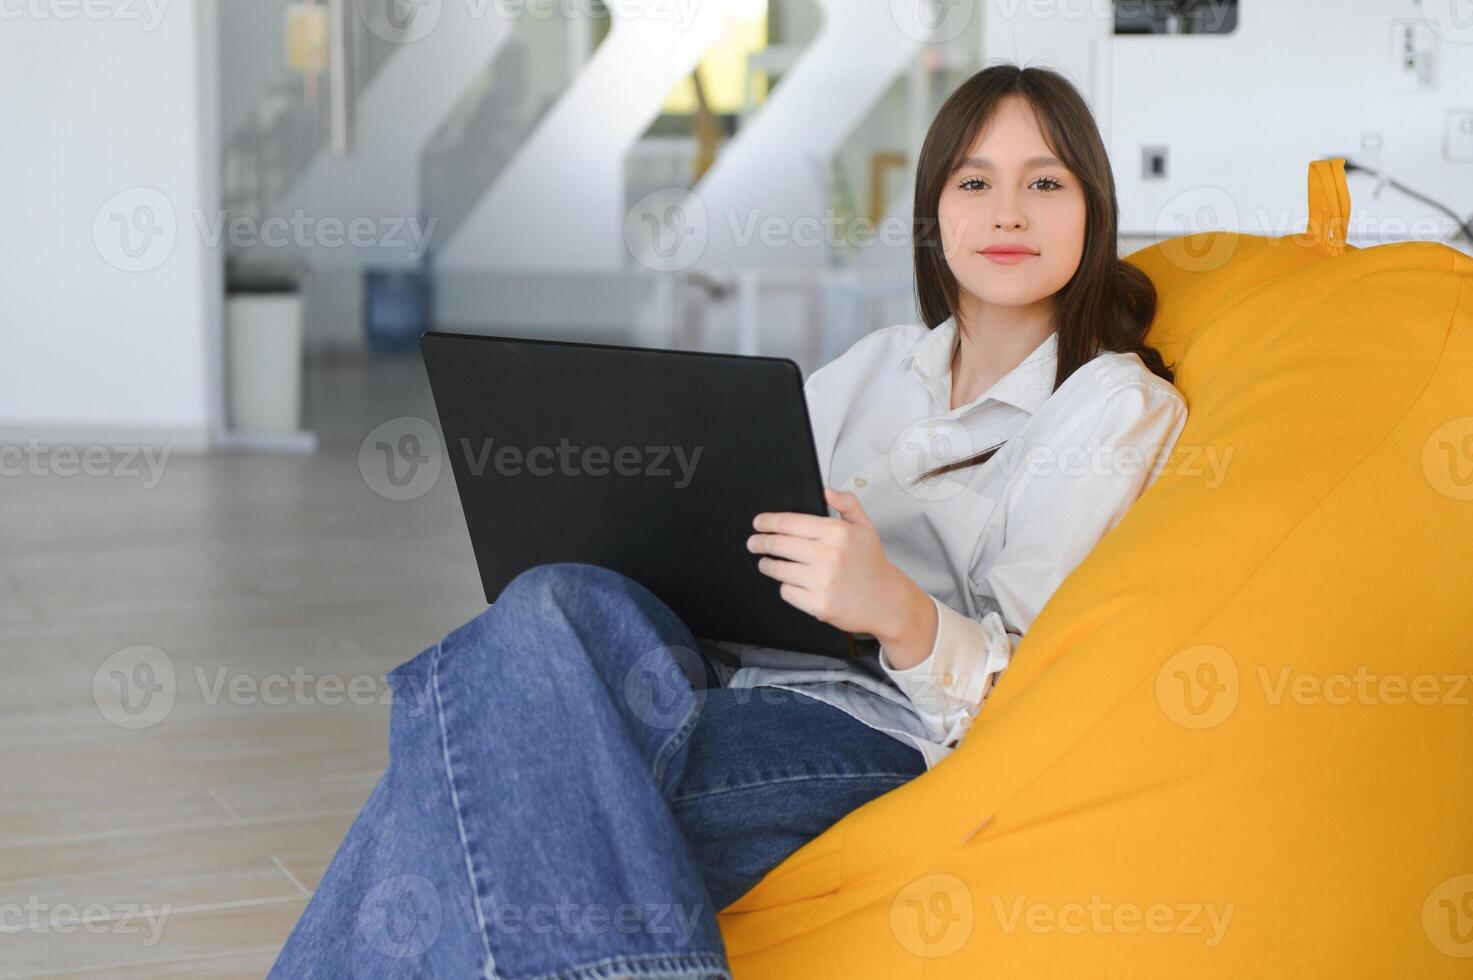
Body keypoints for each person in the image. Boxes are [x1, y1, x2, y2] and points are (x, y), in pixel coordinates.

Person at [270, 62, 1188, 979]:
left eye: (1045, 183)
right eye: (974, 182)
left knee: (472, 750)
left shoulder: (1111, 406)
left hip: (864, 727)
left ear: (1093, 208)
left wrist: (892, 607)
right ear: (935, 211)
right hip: (718, 671)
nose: (1008, 214)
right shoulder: (880, 363)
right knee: (550, 599)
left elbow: (1027, 691)